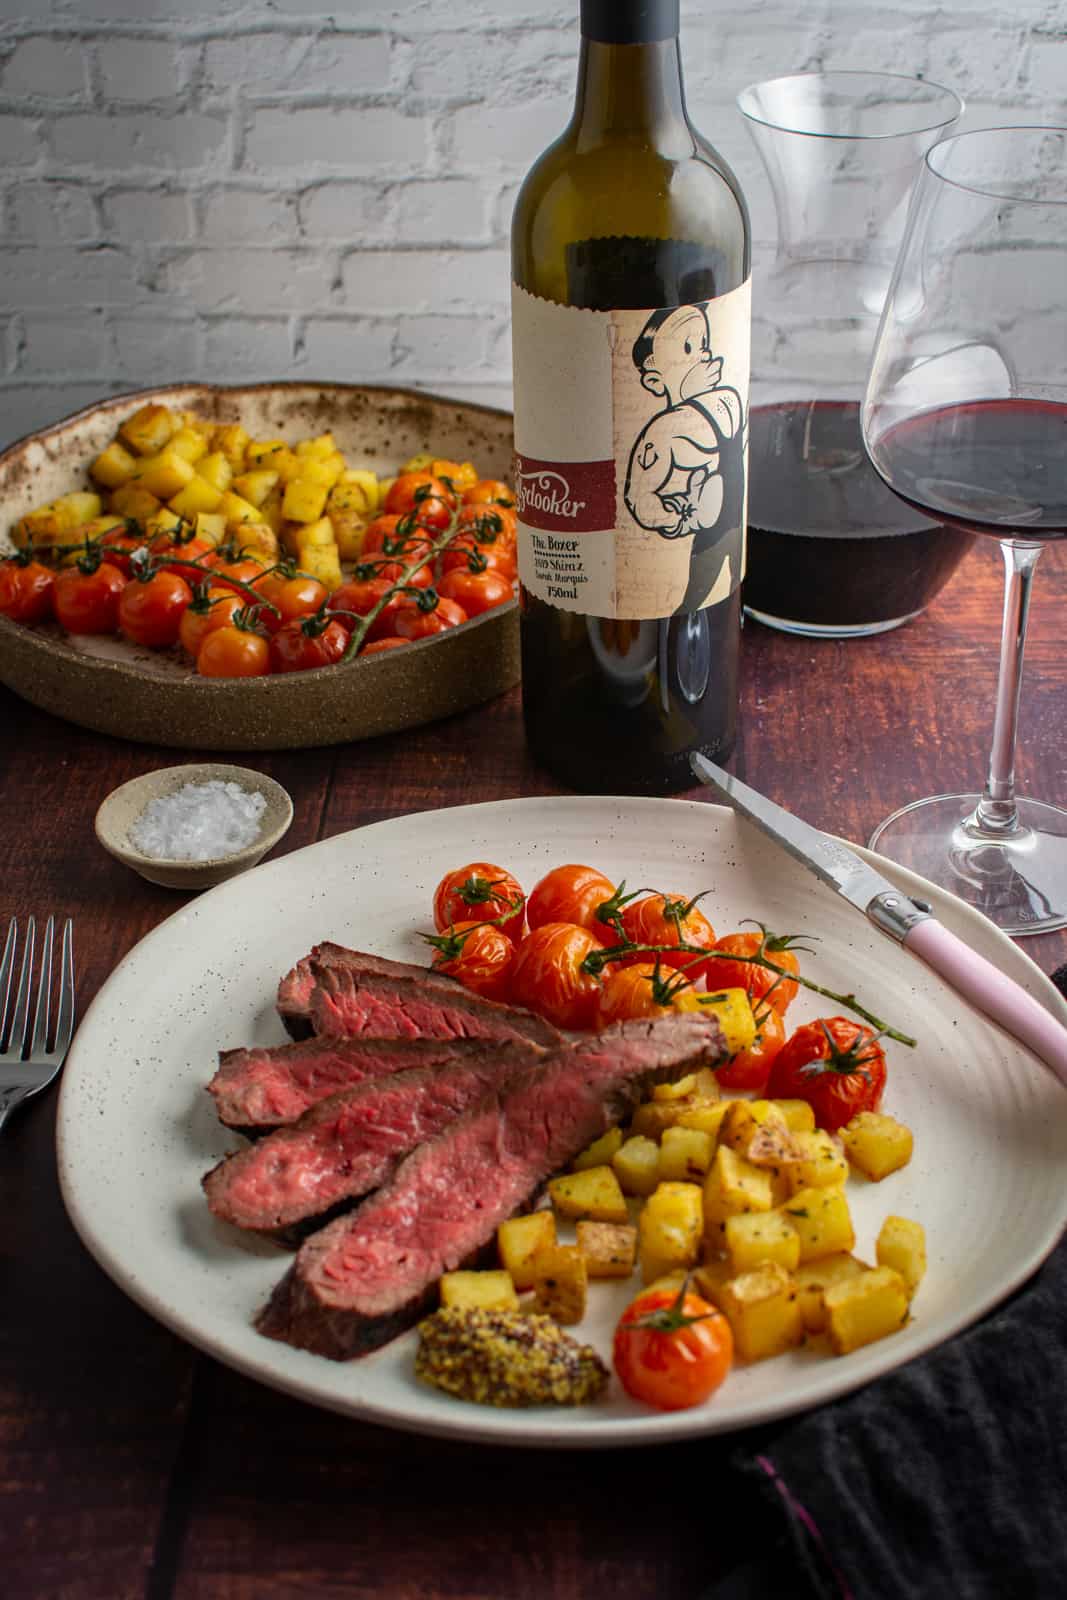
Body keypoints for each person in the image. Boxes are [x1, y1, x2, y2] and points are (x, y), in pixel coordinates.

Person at [624, 303, 746, 613]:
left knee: (719, 608)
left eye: (703, 344)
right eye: (687, 349)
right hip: (709, 538)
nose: (703, 355)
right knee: (689, 608)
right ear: (654, 380)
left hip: (734, 530)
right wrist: (680, 518)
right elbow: (638, 498)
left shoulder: (728, 401)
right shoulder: (662, 433)